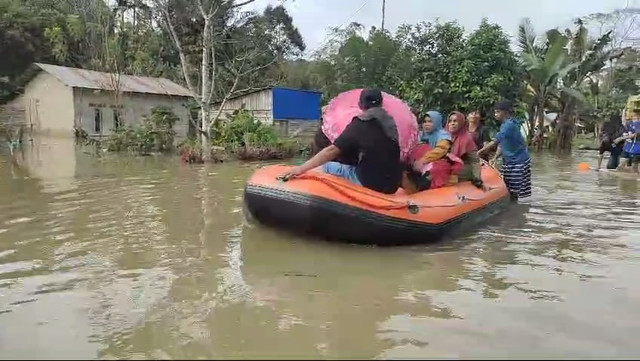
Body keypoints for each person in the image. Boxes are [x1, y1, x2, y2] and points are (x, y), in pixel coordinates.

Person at [281, 88, 403, 194]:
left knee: (326, 166)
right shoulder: (391, 123)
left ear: (360, 105)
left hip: (371, 183)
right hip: (393, 184)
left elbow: (331, 150)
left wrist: (300, 169)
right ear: (381, 103)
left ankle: (314, 194)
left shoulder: (361, 122)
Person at [478, 101, 531, 201]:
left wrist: (479, 152)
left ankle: (514, 209)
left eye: (498, 112)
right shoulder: (505, 124)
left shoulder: (509, 125)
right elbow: (502, 144)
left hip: (518, 161)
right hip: (509, 160)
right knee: (508, 186)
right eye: (495, 112)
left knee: (514, 190)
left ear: (506, 112)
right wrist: (495, 157)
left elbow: (496, 141)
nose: (495, 114)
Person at [401, 111, 459, 193]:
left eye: (430, 122)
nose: (426, 124)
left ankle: (422, 186)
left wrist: (423, 160)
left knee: (436, 169)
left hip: (438, 162)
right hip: (419, 163)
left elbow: (440, 150)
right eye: (425, 122)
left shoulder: (443, 135)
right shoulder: (419, 135)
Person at [445, 111, 482, 187]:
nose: (452, 123)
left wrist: (477, 178)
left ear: (461, 123)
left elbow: (475, 161)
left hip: (462, 170)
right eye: (450, 121)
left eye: (455, 121)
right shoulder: (443, 136)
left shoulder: (466, 139)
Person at [614, 109, 640, 173]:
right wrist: (624, 111)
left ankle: (636, 177)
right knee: (620, 166)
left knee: (634, 168)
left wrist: (621, 138)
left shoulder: (638, 124)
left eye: (636, 115)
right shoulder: (630, 123)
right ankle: (629, 176)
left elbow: (636, 134)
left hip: (636, 150)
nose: (634, 116)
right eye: (633, 115)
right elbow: (624, 122)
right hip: (627, 149)